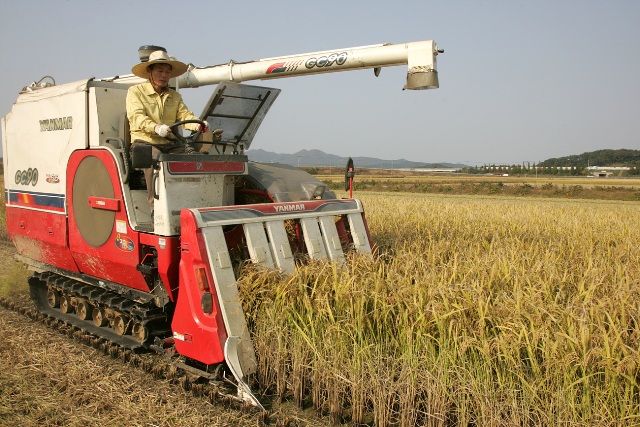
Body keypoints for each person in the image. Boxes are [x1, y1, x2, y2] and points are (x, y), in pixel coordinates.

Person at [126, 49, 210, 211]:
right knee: (157, 160)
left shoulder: (175, 96)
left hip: (170, 143)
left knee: (194, 160)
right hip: (144, 142)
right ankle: (156, 209)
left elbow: (185, 116)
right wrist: (156, 127)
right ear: (149, 71)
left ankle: (191, 205)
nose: (164, 75)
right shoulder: (135, 92)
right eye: (160, 71)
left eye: (167, 72)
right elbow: (136, 117)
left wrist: (199, 125)